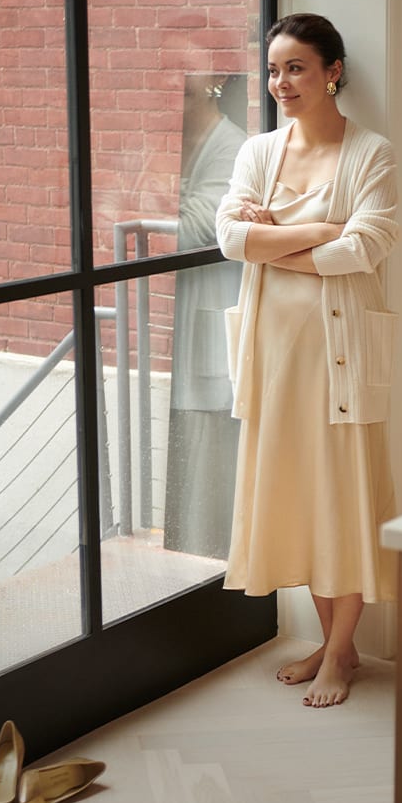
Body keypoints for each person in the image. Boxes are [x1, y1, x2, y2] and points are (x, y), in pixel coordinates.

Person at [215, 14, 399, 708]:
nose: (280, 83)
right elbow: (231, 238)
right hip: (274, 361)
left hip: (340, 361)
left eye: (295, 67)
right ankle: (336, 645)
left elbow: (365, 246)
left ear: (333, 71)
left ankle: (340, 655)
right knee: (298, 499)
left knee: (342, 503)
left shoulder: (371, 152)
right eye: (273, 69)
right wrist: (317, 232)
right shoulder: (258, 152)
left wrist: (280, 240)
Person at [163, 74, 247, 559]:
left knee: (210, 466)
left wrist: (150, 198)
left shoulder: (232, 147)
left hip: (212, 331)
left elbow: (197, 228)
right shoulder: (175, 146)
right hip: (177, 331)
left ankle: (212, 566)